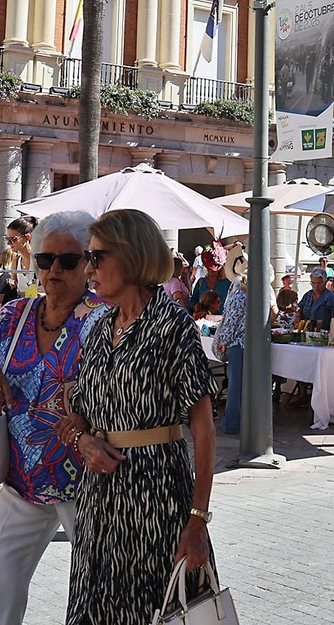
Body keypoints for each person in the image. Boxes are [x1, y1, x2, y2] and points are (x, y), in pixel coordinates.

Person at [56, 208, 216, 625]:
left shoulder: (173, 325)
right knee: (95, 607)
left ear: (130, 255)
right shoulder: (98, 326)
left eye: (97, 257)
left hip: (156, 495)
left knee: (153, 609)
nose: (89, 268)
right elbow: (77, 415)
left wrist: (198, 519)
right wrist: (82, 441)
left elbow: (203, 429)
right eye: (88, 257)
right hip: (97, 500)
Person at [0, 210, 104, 625]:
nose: (55, 270)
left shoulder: (103, 320)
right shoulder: (15, 316)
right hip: (23, 482)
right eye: (45, 259)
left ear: (89, 264)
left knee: (100, 596)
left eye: (68, 261)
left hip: (86, 482)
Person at [215, 269, 247, 435]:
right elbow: (231, 323)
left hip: (239, 344)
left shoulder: (240, 297)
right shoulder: (240, 297)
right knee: (236, 385)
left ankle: (234, 421)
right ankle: (233, 423)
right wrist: (224, 342)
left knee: (238, 385)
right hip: (237, 345)